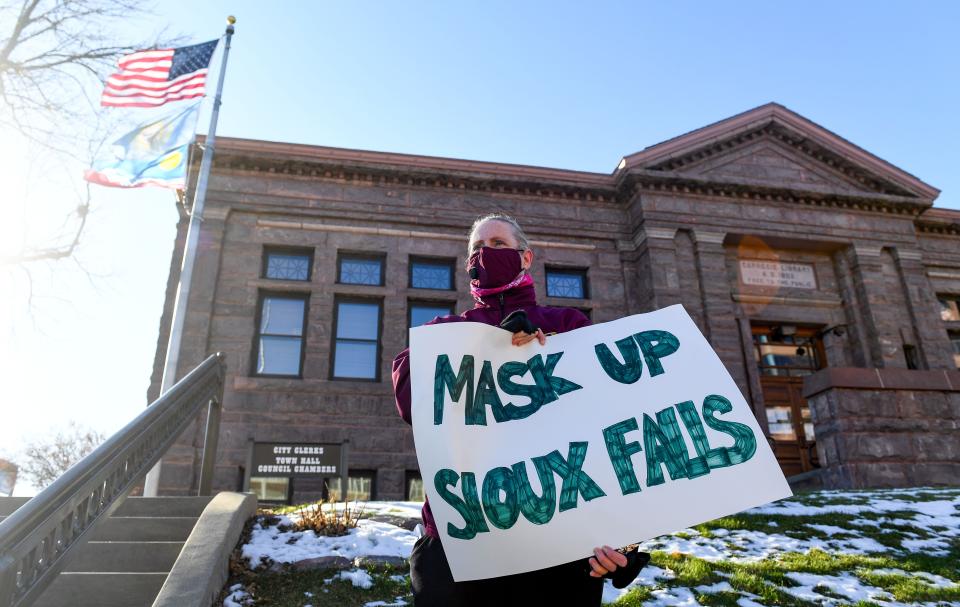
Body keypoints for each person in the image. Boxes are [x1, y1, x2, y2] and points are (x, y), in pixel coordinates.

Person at [392, 213, 648, 606]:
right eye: (476, 249)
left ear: (525, 258)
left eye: (496, 244)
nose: (484, 254)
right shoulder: (442, 333)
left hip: (559, 547)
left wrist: (624, 544)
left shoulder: (569, 325)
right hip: (464, 542)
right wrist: (485, 347)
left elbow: (611, 426)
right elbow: (411, 400)